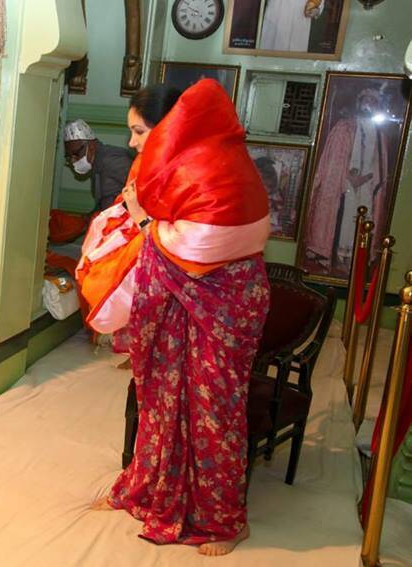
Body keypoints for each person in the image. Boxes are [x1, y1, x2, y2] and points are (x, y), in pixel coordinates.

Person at [78, 81, 271, 555]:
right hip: (174, 306)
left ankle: (225, 522)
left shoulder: (214, 166)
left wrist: (144, 217)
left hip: (222, 310)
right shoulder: (163, 164)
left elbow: (193, 247)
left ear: (170, 128)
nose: (131, 143)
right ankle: (150, 489)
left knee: (214, 413)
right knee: (161, 402)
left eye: (140, 131)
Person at [303, 88, 389, 276]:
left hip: (367, 185)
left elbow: (379, 165)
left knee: (363, 220)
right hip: (345, 185)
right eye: (365, 101)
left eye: (372, 102)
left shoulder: (379, 134)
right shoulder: (344, 127)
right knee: (344, 219)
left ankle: (355, 258)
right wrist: (349, 178)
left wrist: (366, 179)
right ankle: (339, 256)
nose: (368, 105)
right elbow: (335, 159)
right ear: (359, 104)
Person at [63, 119, 135, 213]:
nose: (73, 161)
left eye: (76, 154)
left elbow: (142, 188)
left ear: (91, 146)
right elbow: (103, 203)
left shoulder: (111, 161)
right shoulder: (96, 165)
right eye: (69, 157)